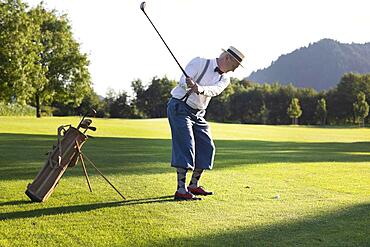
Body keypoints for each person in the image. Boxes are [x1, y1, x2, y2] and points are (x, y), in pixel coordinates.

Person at [167, 46, 245, 200]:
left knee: (207, 146)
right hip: (179, 107)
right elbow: (182, 80)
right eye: (235, 66)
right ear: (228, 58)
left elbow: (215, 90)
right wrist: (188, 85)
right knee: (185, 145)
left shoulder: (225, 78)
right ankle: (181, 190)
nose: (235, 70)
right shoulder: (199, 62)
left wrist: (199, 89)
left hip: (198, 113)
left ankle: (193, 185)